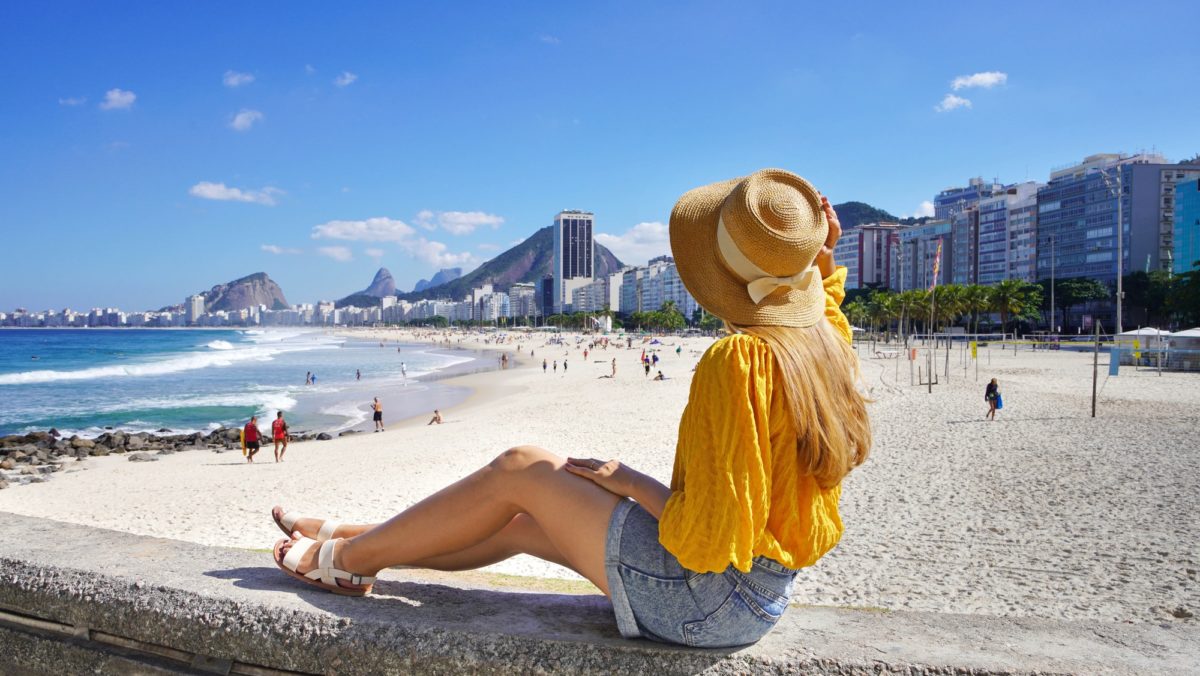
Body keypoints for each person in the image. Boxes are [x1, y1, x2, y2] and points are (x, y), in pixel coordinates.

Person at [269, 170, 870, 649]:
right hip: (760, 598)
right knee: (523, 522)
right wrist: (814, 255)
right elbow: (827, 301)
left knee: (522, 467)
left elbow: (709, 540)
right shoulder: (822, 341)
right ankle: (356, 536)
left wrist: (630, 481)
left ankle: (344, 562)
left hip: (707, 602)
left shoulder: (741, 361)